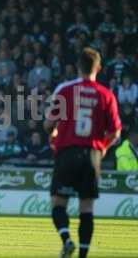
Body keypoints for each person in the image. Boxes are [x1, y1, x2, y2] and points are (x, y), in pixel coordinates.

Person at [44, 47, 121, 258]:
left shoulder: (65, 89)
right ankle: (83, 255)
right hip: (92, 155)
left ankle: (67, 240)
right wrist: (103, 146)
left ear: (78, 67)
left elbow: (49, 122)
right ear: (99, 68)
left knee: (58, 202)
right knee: (86, 208)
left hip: (67, 151)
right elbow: (115, 132)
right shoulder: (106, 94)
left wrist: (53, 133)